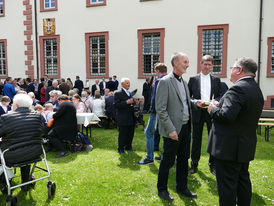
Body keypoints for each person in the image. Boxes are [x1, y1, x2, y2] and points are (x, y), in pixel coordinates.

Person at [207, 57, 264, 206]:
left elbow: (226, 116)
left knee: (227, 187)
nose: (230, 70)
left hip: (229, 148)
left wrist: (212, 109)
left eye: (232, 67)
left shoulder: (237, 88)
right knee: (243, 181)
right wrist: (221, 104)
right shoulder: (255, 89)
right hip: (245, 146)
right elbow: (240, 112)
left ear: (239, 70)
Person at [156, 53, 201, 201]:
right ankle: (162, 189)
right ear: (175, 63)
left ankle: (182, 187)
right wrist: (171, 130)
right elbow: (161, 109)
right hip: (173, 130)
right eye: (185, 62)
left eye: (188, 62)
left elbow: (185, 102)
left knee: (183, 160)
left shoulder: (184, 81)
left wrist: (196, 103)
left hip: (186, 128)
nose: (188, 64)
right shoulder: (165, 82)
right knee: (167, 161)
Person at [0, 94, 44, 191]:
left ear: (16, 105)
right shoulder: (37, 115)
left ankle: (6, 180)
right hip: (35, 152)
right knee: (25, 146)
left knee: (17, 149)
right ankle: (25, 182)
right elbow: (42, 131)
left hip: (12, 155)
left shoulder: (6, 117)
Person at [188, 55, 223, 175]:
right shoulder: (193, 79)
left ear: (212, 66)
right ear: (201, 64)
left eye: (209, 65)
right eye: (205, 64)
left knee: (213, 139)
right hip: (197, 112)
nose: (207, 67)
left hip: (211, 112)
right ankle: (194, 165)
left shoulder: (216, 80)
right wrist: (195, 102)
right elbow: (188, 97)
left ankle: (212, 165)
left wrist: (216, 101)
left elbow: (219, 96)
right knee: (196, 139)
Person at [138, 63, 167, 165]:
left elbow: (155, 98)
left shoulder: (159, 81)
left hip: (157, 112)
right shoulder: (169, 79)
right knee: (165, 134)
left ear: (157, 71)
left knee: (149, 133)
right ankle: (164, 156)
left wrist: (151, 110)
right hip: (166, 112)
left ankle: (149, 158)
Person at [114, 78, 136, 154]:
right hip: (123, 117)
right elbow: (116, 105)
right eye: (127, 83)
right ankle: (120, 148)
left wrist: (133, 102)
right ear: (122, 84)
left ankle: (128, 146)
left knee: (130, 132)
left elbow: (131, 103)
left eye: (129, 83)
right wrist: (126, 102)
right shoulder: (118, 93)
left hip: (131, 116)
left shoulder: (129, 93)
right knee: (123, 133)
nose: (128, 84)